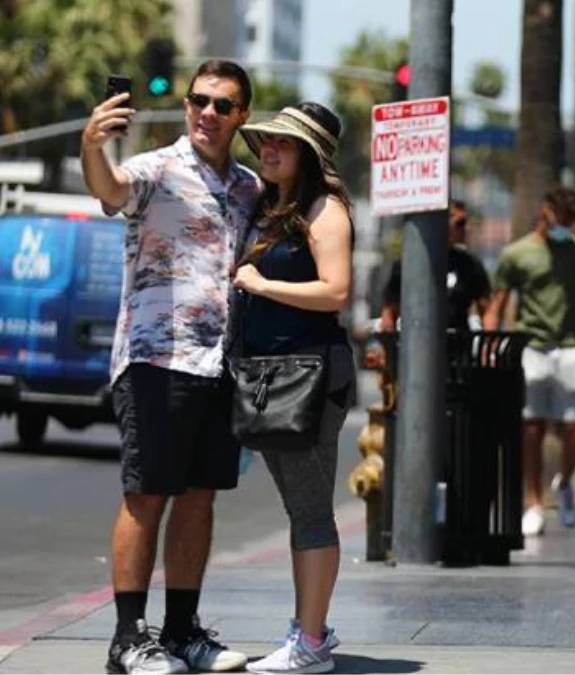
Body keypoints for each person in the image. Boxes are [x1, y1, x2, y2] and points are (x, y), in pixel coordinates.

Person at [81, 60, 257, 675]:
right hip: (157, 358)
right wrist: (92, 144)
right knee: (146, 496)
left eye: (223, 104)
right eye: (199, 100)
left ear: (242, 116)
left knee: (200, 498)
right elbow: (109, 189)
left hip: (218, 365)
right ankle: (129, 638)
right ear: (186, 107)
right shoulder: (158, 168)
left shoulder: (247, 188)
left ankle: (182, 631)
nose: (207, 112)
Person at [232, 102, 356, 674]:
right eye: (265, 143)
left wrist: (260, 283)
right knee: (298, 510)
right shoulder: (270, 207)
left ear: (308, 153)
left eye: (281, 144)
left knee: (310, 512)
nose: (268, 150)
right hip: (269, 377)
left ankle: (309, 643)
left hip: (310, 378)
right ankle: (310, 632)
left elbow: (336, 292)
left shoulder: (324, 211)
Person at [482, 186, 575, 536]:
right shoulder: (517, 254)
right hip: (531, 345)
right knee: (531, 426)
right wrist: (492, 344)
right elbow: (498, 304)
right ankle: (533, 501)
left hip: (570, 345)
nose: (564, 226)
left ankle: (563, 482)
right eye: (561, 218)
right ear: (545, 212)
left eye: (571, 221)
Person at [379, 200, 491, 333]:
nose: (466, 229)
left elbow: (487, 308)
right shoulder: (407, 264)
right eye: (460, 223)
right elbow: (389, 311)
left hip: (458, 345)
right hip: (415, 343)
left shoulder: (468, 264)